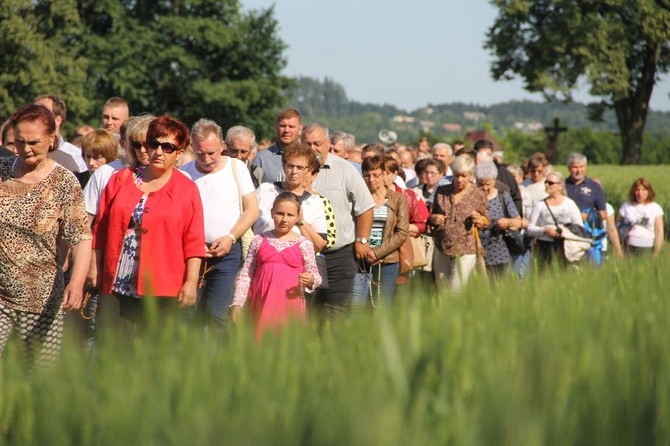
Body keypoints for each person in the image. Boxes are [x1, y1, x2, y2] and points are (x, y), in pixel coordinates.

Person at [92, 116, 205, 336]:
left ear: (179, 152)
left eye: (168, 147)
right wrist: (94, 265)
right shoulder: (120, 179)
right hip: (117, 281)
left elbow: (194, 241)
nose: (158, 151)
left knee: (153, 357)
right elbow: (101, 228)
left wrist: (191, 282)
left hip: (162, 285)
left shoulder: (187, 189)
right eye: (153, 144)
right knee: (110, 353)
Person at [0, 104, 91, 368]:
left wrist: (76, 282)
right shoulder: (2, 170)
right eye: (19, 141)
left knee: (38, 380)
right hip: (1, 295)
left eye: (33, 142)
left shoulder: (64, 182)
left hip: (40, 299)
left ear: (52, 139)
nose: (25, 148)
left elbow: (81, 238)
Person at [179, 119, 258, 331]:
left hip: (227, 252)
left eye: (212, 153)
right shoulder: (184, 173)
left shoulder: (236, 168)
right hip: (192, 254)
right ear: (192, 148)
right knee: (188, 314)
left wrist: (231, 237)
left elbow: (252, 209)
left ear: (222, 146)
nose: (206, 159)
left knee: (218, 315)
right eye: (200, 153)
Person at [230, 192, 321, 338]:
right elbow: (246, 274)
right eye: (280, 213)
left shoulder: (305, 244)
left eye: (290, 215)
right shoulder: (259, 240)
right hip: (261, 303)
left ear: (298, 217)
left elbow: (316, 276)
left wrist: (310, 280)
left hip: (290, 306)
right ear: (272, 213)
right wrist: (237, 303)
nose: (284, 219)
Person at [308, 123, 375, 318]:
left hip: (339, 254)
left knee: (335, 314)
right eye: (307, 143)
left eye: (317, 143)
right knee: (307, 315)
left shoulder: (346, 170)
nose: (312, 148)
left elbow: (365, 207)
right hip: (304, 254)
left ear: (327, 143)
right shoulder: (295, 170)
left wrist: (362, 240)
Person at [352, 155, 409, 307]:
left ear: (384, 173)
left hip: (388, 260)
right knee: (357, 305)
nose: (371, 179)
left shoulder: (398, 199)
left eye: (375, 175)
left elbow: (402, 232)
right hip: (361, 259)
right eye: (367, 175)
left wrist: (377, 252)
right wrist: (363, 248)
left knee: (382, 306)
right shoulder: (358, 197)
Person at [428, 154, 489, 291]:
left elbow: (486, 220)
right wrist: (433, 218)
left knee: (456, 290)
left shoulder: (478, 194)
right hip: (442, 247)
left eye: (464, 176)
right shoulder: (442, 191)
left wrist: (480, 220)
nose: (459, 179)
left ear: (470, 175)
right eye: (456, 175)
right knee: (442, 290)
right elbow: (432, 216)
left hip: (465, 248)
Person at [254, 143, 328, 253]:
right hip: (261, 255)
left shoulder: (315, 202)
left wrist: (301, 222)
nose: (294, 172)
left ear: (309, 170)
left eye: (300, 168)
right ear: (283, 166)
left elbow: (319, 245)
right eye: (290, 166)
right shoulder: (264, 190)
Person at [565, 153, 623, 260]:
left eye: (582, 166)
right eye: (575, 167)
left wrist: (589, 214)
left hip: (589, 237)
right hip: (567, 236)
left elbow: (604, 214)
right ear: (569, 168)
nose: (579, 170)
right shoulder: (563, 185)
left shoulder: (594, 186)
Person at [526, 171, 584, 268]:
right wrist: (544, 230)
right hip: (544, 246)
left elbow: (579, 226)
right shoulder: (540, 205)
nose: (547, 185)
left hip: (565, 245)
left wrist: (565, 232)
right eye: (546, 182)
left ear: (560, 186)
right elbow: (530, 228)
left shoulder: (569, 204)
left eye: (551, 183)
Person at [475, 161, 521, 280]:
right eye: (481, 184)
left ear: (494, 181)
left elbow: (518, 222)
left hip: (499, 251)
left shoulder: (503, 196)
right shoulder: (471, 198)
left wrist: (508, 222)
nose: (485, 188)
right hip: (476, 250)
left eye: (488, 184)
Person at [34, 94, 87, 173]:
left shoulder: (77, 155)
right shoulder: (25, 151)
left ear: (58, 120)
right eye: (33, 111)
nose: (35, 116)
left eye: (43, 111)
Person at [617, 178, 664, 257]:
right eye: (637, 190)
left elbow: (659, 231)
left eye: (643, 190)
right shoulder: (627, 206)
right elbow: (617, 224)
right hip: (629, 247)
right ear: (634, 192)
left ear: (648, 192)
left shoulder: (655, 208)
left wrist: (657, 252)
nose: (640, 193)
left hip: (648, 248)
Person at [474, 139, 522, 216]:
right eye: (482, 154)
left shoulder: (505, 174)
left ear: (493, 154)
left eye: (488, 154)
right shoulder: (469, 174)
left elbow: (516, 198)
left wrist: (510, 221)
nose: (485, 157)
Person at [252, 108, 301, 182]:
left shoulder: (309, 157)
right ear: (276, 128)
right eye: (283, 126)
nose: (286, 130)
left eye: (291, 126)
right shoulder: (261, 159)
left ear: (300, 130)